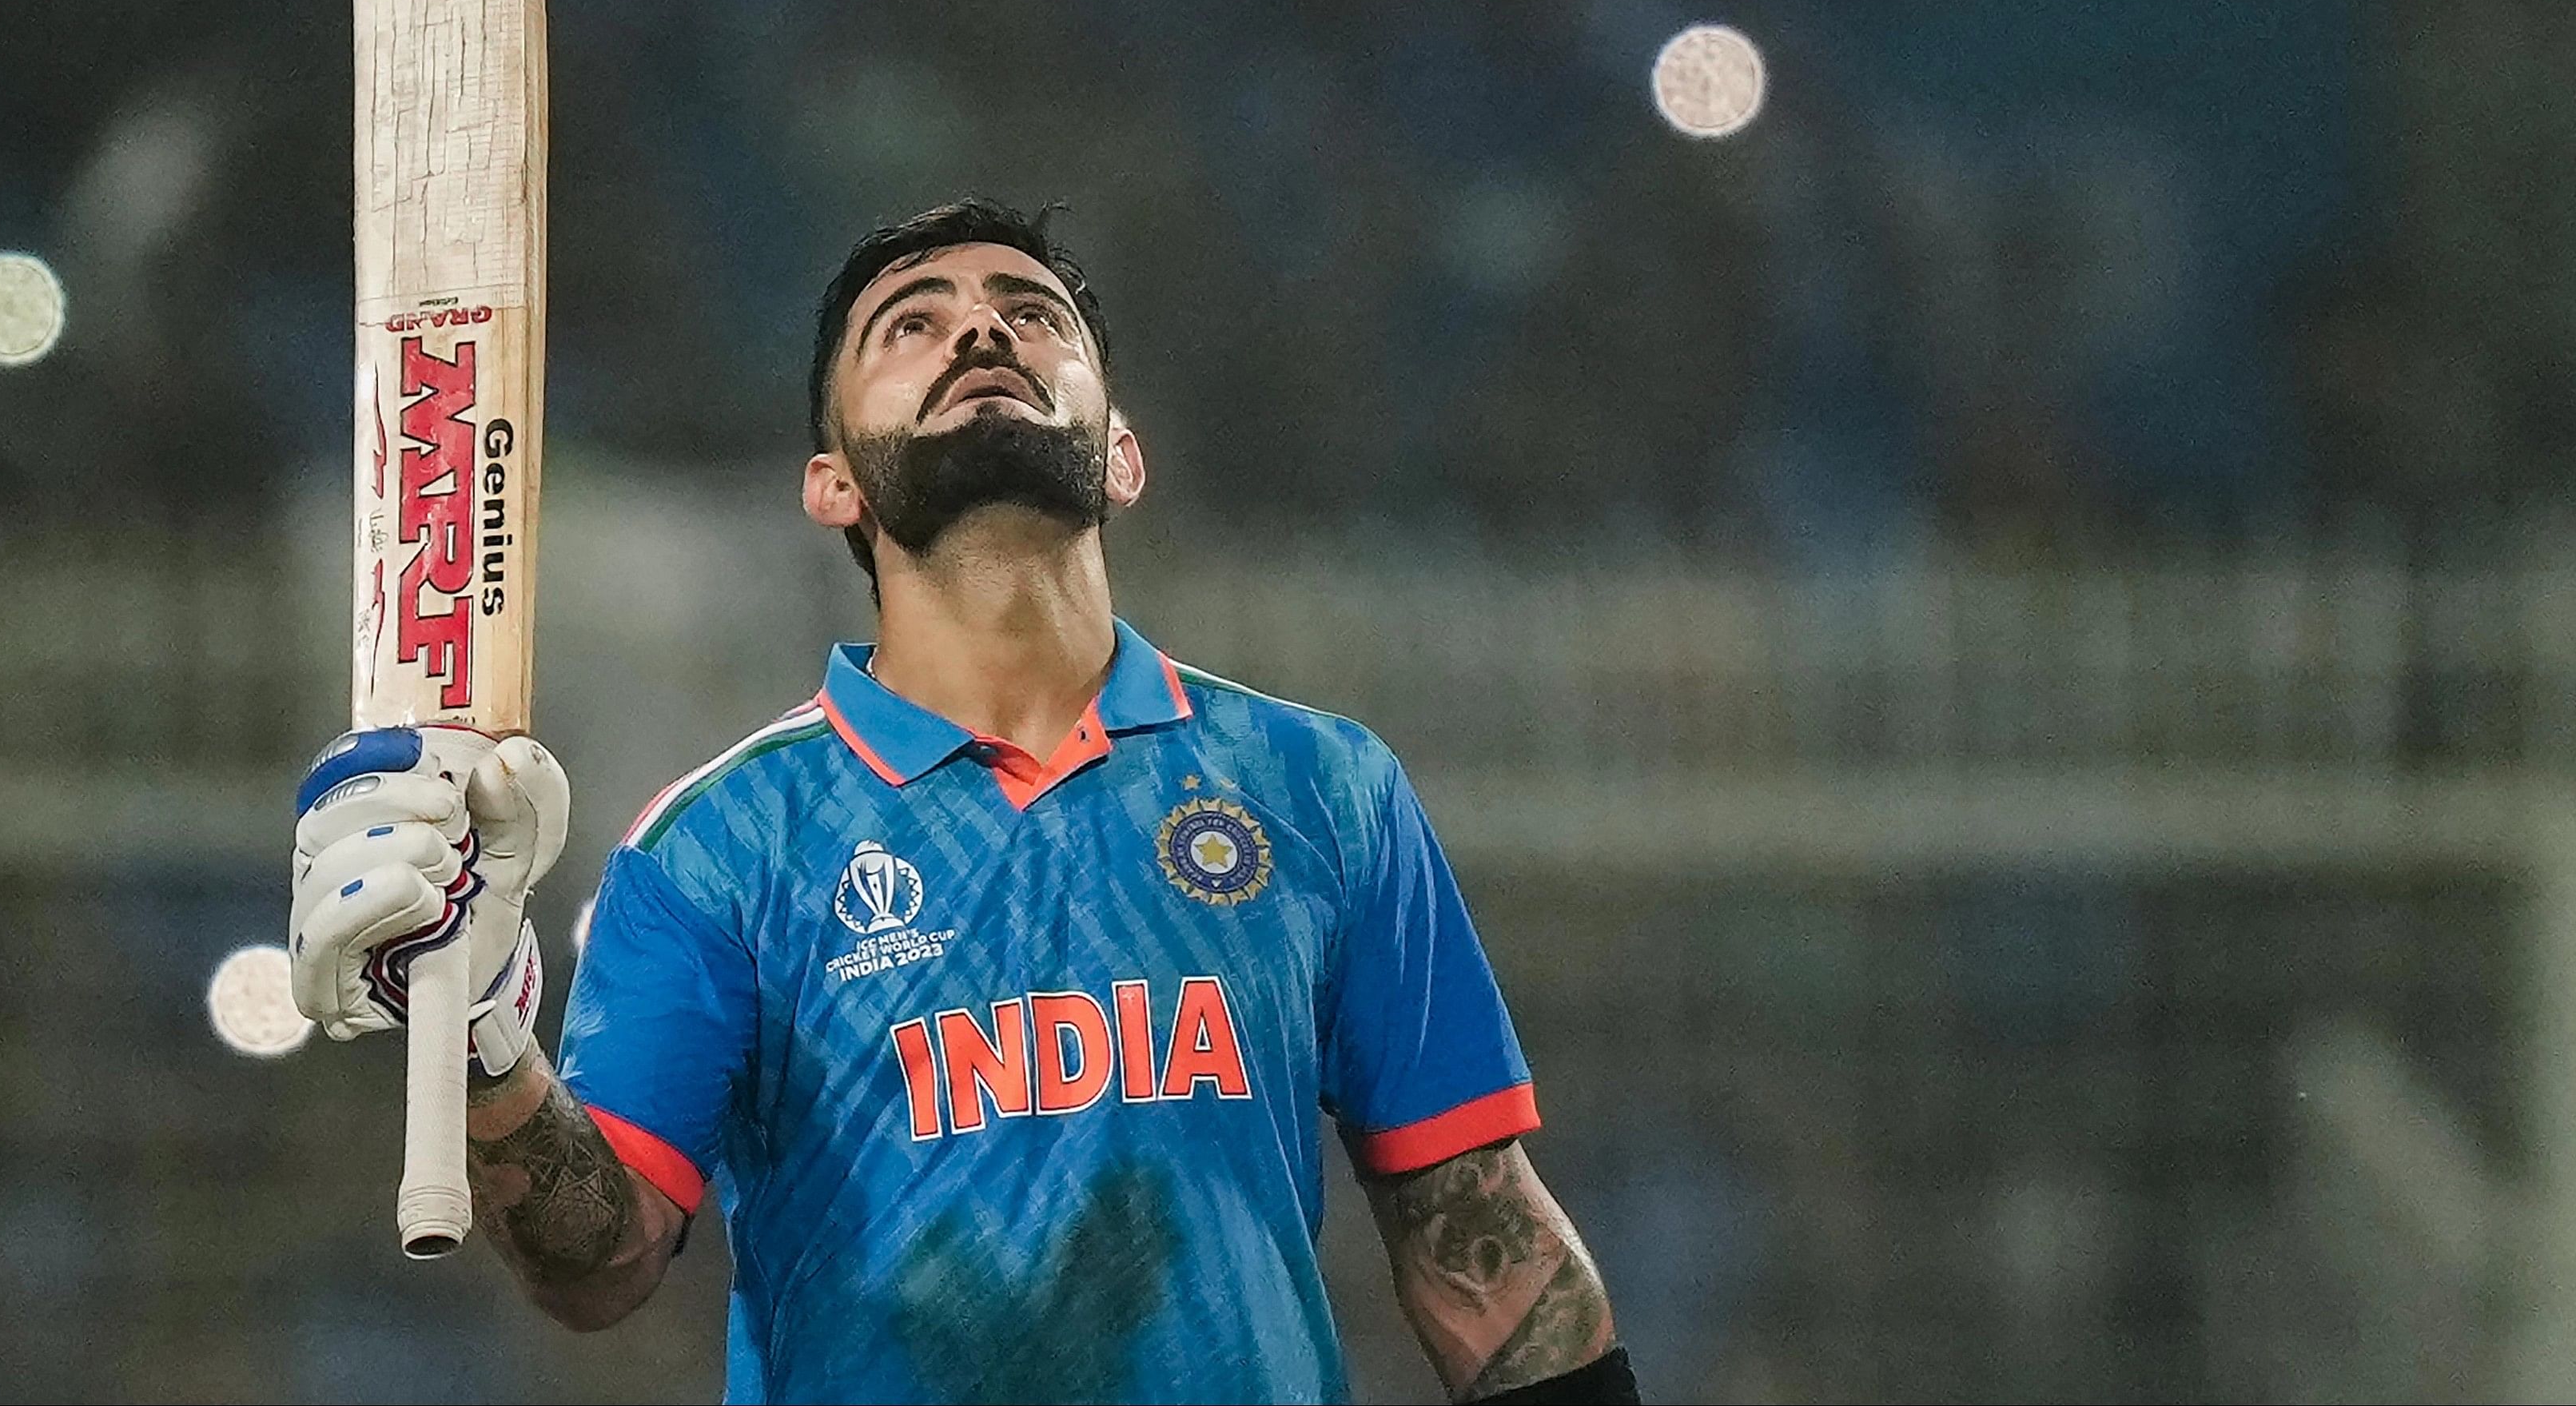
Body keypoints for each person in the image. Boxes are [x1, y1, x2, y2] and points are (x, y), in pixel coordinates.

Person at [287, 199, 1635, 1404]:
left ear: (1119, 455)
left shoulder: (1320, 787)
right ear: (834, 488)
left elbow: (1483, 1241)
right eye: (910, 327)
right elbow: (596, 1265)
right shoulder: (718, 850)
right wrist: (477, 1035)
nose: (979, 332)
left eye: (1027, 314)